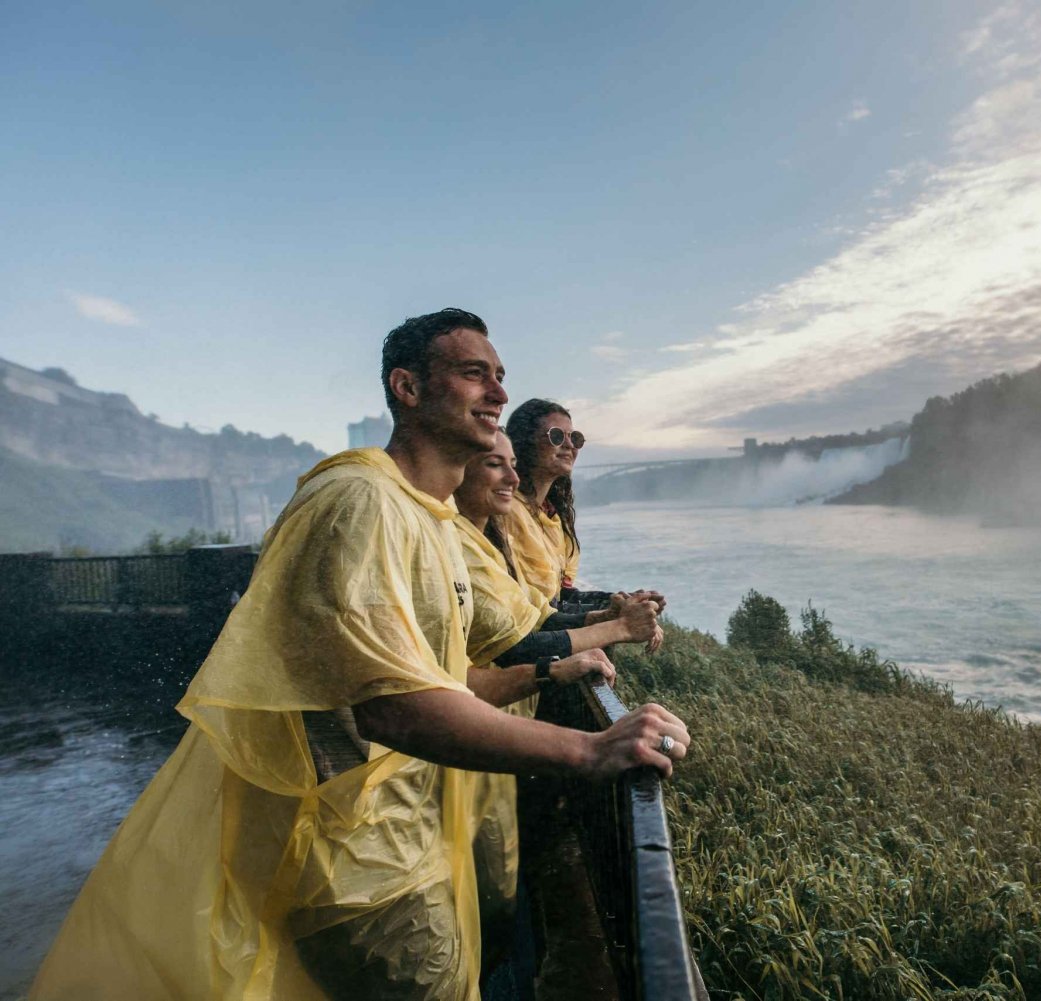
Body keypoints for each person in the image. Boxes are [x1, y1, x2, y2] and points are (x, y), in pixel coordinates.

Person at [29, 308, 690, 1001]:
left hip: (409, 839)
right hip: (357, 864)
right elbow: (395, 708)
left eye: (500, 377)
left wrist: (563, 662)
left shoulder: (426, 517)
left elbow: (449, 677)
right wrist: (588, 749)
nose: (497, 394)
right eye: (473, 374)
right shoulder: (359, 502)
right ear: (406, 388)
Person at [451, 430, 661, 972]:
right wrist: (613, 626)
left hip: (493, 736)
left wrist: (604, 618)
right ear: (457, 468)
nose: (513, 479)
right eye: (496, 464)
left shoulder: (487, 538)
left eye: (578, 437)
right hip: (474, 744)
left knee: (495, 887)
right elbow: (516, 643)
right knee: (485, 900)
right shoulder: (461, 542)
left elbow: (535, 617)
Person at [502, 399, 667, 643]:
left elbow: (562, 598)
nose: (569, 445)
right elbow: (525, 613)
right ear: (525, 442)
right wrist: (615, 619)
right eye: (557, 436)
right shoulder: (506, 512)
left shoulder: (554, 518)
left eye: (575, 438)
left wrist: (627, 602)